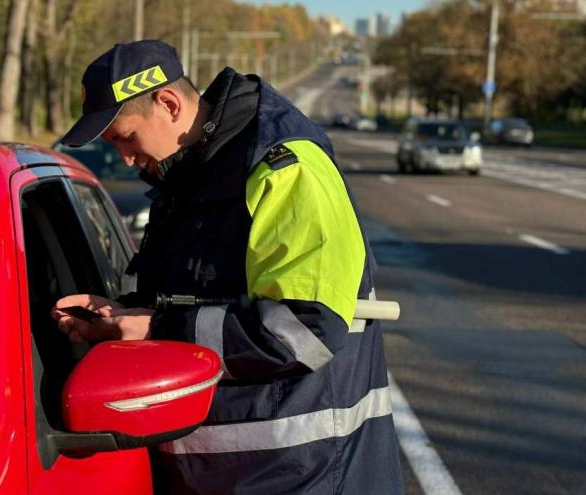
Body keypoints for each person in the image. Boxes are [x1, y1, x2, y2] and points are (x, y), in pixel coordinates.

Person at [52, 40, 403, 494]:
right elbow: (199, 294)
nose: (124, 158)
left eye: (126, 137)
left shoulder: (282, 166)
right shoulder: (195, 172)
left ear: (169, 103)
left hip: (302, 475)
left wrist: (156, 330)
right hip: (240, 475)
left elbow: (304, 329)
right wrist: (122, 316)